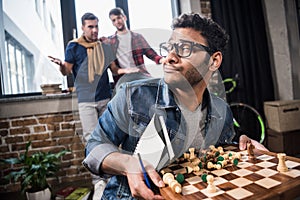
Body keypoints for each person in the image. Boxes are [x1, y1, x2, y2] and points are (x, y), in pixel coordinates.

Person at [83, 13, 268, 199]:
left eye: (185, 48)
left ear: (214, 61)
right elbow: (94, 147)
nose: (169, 57)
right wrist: (127, 164)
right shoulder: (134, 96)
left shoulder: (222, 110)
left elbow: (218, 154)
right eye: (169, 48)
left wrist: (242, 146)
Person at [49, 12, 116, 200]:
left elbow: (114, 70)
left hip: (105, 97)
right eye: (90, 27)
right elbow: (67, 71)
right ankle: (98, 181)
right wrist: (61, 65)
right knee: (91, 141)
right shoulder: (74, 46)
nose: (94, 30)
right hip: (86, 100)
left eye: (96, 26)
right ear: (83, 28)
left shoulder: (104, 46)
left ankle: (110, 177)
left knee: (108, 138)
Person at [103, 7, 164, 85]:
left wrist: (163, 60)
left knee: (158, 86)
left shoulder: (137, 37)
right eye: (114, 20)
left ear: (124, 17)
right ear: (112, 23)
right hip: (122, 79)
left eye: (119, 18)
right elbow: (113, 69)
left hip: (140, 75)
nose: (117, 22)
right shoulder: (110, 42)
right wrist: (127, 70)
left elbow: (152, 54)